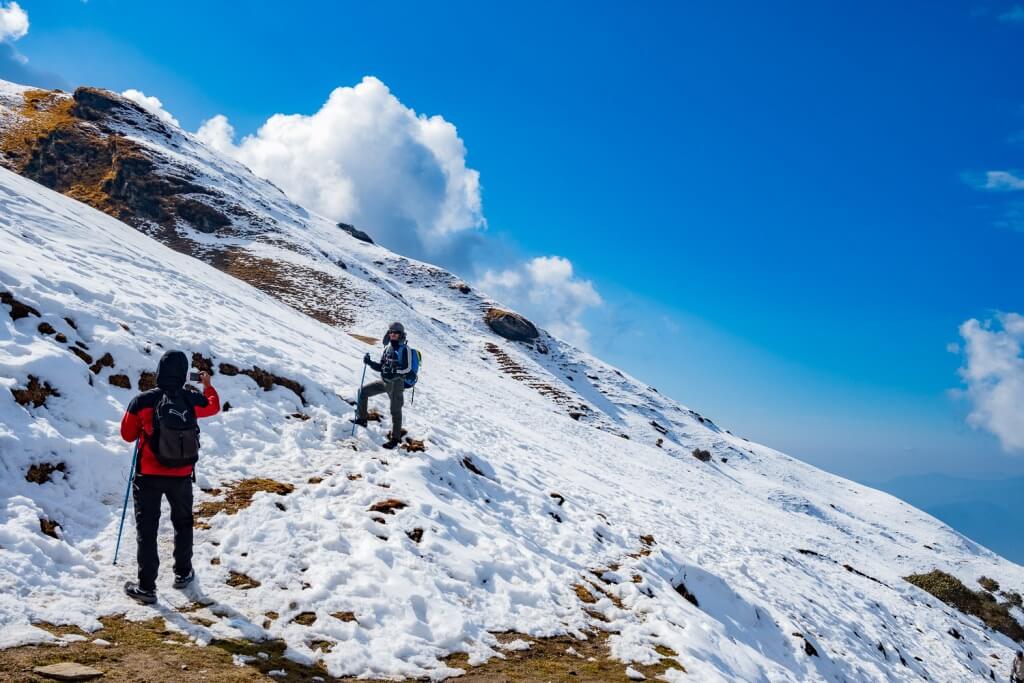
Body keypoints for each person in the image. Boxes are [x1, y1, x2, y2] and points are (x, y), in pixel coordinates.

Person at [120, 350, 220, 604]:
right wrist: (208, 386)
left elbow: (127, 435)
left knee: (148, 528)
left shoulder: (142, 401)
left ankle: (146, 587)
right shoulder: (191, 398)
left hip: (148, 475)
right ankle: (183, 573)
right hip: (182, 474)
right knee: (183, 523)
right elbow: (213, 406)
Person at [351, 322, 414, 449]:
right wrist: (369, 362)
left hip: (397, 384)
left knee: (395, 410)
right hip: (384, 381)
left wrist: (395, 371)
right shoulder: (387, 348)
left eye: (396, 332)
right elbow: (381, 367)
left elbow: (407, 369)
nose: (393, 334)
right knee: (363, 391)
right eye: (391, 332)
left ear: (401, 334)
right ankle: (362, 419)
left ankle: (395, 439)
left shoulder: (405, 349)